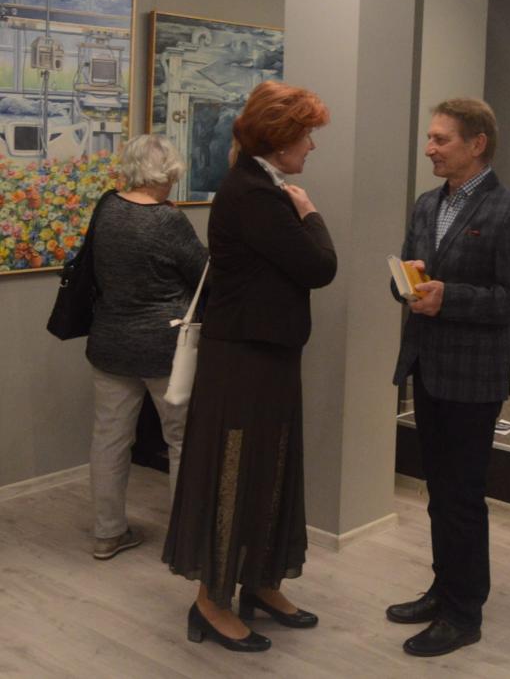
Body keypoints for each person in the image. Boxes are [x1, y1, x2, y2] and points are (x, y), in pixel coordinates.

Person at [163, 80, 336, 654]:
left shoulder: (260, 186)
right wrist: (311, 214)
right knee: (233, 473)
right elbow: (319, 267)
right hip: (243, 360)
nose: (312, 146)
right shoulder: (255, 194)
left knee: (270, 467)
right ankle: (211, 603)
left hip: (267, 355)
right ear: (281, 139)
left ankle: (260, 582)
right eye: (307, 135)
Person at [386, 97, 510, 657]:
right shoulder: (427, 204)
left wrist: (450, 298)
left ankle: (463, 613)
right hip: (427, 369)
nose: (429, 148)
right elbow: (410, 274)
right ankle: (443, 588)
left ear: (477, 144)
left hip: (473, 380)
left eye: (440, 139)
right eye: (430, 138)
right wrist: (407, 284)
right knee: (439, 494)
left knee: (462, 498)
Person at [87, 134, 207, 561]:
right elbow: (205, 274)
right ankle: (186, 540)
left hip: (110, 342)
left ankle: (107, 533)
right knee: (182, 440)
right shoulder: (168, 221)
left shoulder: (107, 208)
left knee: (109, 439)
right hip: (164, 348)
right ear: (167, 172)